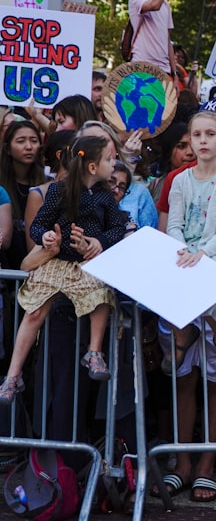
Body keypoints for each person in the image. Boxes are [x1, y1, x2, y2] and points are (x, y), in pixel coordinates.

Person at [160, 110, 216, 504]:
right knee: (183, 378)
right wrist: (183, 252)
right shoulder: (178, 180)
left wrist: (200, 255)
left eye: (210, 133)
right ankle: (181, 463)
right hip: (184, 259)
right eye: (196, 134)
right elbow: (174, 224)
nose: (202, 141)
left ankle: (206, 465)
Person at [0, 135, 126, 403]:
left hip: (87, 265)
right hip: (57, 261)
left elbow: (117, 228)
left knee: (102, 296)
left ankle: (94, 352)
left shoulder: (106, 196)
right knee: (35, 311)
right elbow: (37, 225)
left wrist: (98, 242)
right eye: (109, 159)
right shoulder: (59, 190)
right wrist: (46, 237)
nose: (113, 163)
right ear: (92, 167)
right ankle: (12, 375)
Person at [0, 120, 46, 270]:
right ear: (7, 149)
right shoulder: (1, 187)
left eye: (34, 141)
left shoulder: (47, 186)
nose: (29, 147)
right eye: (21, 141)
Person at [128, 0, 180, 75]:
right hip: (142, 67)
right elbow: (154, 5)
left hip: (164, 71)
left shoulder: (166, 5)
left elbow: (168, 41)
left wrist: (175, 74)